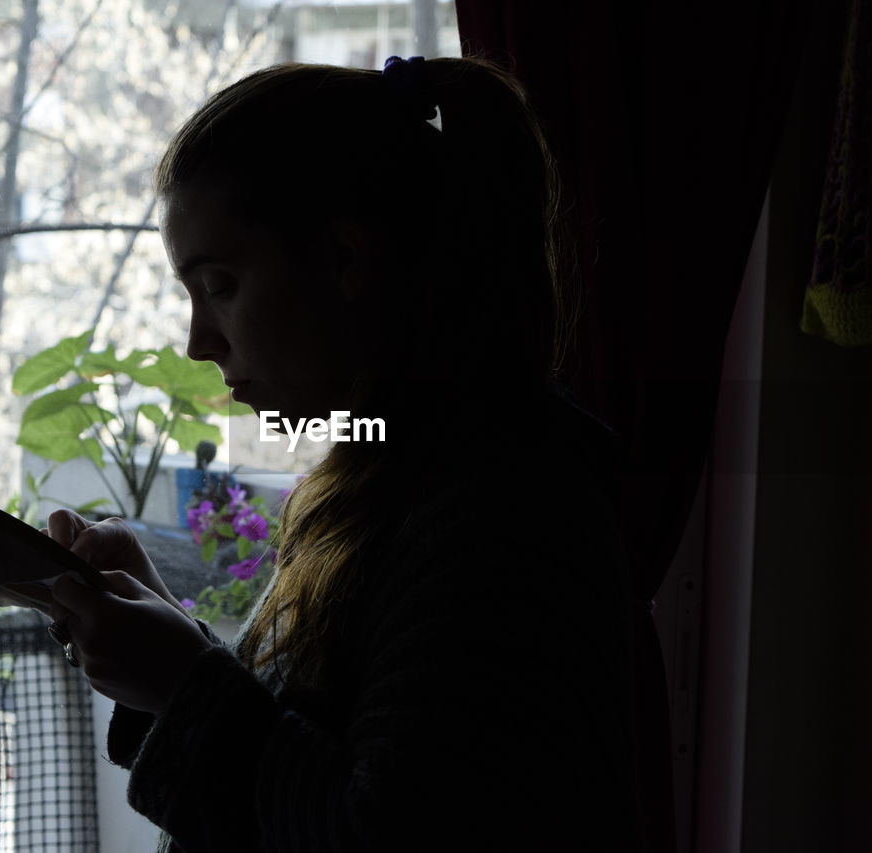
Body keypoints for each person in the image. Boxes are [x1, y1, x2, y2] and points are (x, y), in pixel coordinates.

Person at [46, 55, 672, 852]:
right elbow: (324, 746)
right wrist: (165, 632)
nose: (200, 342)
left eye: (222, 285)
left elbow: (381, 831)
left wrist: (183, 683)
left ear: (344, 262)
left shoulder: (499, 519)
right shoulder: (400, 467)